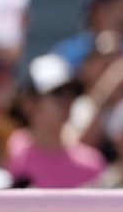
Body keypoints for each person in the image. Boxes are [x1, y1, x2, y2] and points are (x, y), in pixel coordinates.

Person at [8, 54, 106, 189]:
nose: (68, 100)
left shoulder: (92, 164)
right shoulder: (6, 151)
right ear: (29, 103)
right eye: (58, 93)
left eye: (73, 92)